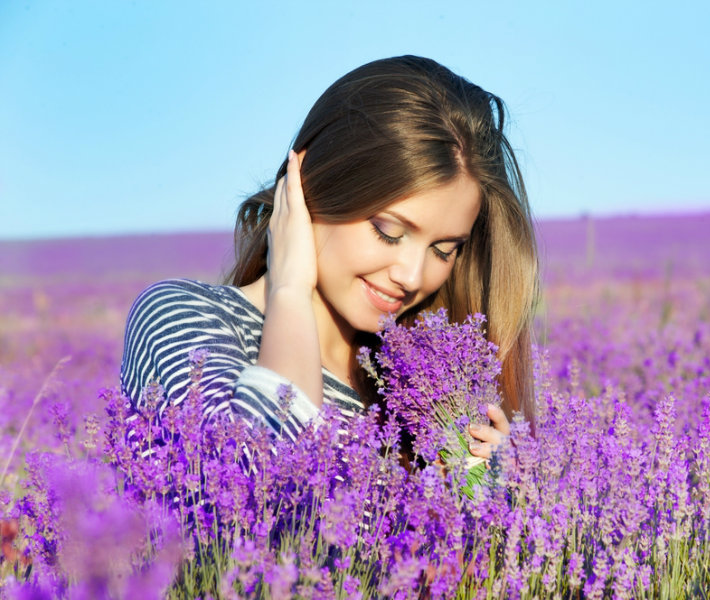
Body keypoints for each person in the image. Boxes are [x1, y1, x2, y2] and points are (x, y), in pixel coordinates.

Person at [120, 55, 538, 458]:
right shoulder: (183, 317)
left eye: (443, 249)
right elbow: (254, 483)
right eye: (388, 231)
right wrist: (289, 293)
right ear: (311, 189)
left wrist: (488, 488)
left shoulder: (418, 393)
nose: (412, 276)